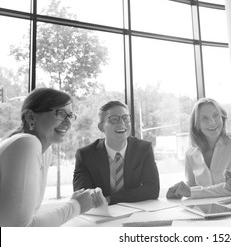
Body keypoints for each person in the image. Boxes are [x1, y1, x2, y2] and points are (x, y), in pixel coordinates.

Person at [0, 87, 103, 227]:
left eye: (70, 116)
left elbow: (28, 217)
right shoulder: (26, 143)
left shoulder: (45, 151)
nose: (68, 122)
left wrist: (75, 203)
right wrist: (76, 205)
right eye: (60, 113)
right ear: (31, 117)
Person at [73, 100, 160, 205]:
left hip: (135, 213)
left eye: (125, 118)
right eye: (114, 119)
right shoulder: (86, 155)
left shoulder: (143, 149)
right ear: (101, 127)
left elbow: (152, 189)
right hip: (100, 215)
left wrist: (110, 199)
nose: (122, 123)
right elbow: (83, 195)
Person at [166, 98, 231, 199]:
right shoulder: (190, 152)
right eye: (204, 118)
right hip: (201, 211)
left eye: (216, 116)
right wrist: (179, 192)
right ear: (196, 124)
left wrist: (191, 192)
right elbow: (190, 187)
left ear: (222, 117)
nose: (212, 122)